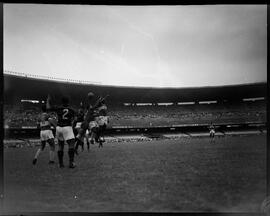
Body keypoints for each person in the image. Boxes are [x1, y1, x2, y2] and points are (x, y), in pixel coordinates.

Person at [46, 95, 76, 168]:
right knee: (71, 144)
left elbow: (48, 108)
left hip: (59, 128)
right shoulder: (71, 109)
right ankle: (71, 163)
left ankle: (61, 164)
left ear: (62, 102)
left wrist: (48, 100)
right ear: (68, 102)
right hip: (67, 127)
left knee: (60, 145)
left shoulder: (58, 108)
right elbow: (75, 119)